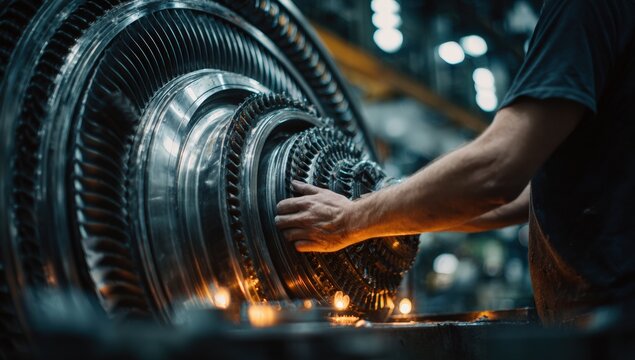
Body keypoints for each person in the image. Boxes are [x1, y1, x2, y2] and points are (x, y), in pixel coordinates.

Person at [275, 0, 635, 325]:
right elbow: (529, 192)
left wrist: (349, 220)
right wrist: (389, 215)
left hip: (614, 324)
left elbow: (497, 168)